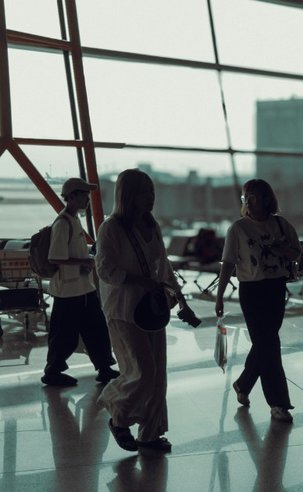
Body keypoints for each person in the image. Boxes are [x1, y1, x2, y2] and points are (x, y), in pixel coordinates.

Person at [97, 168, 195, 453]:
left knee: (157, 375)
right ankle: (117, 411)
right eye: (144, 192)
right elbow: (104, 269)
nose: (150, 197)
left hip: (152, 309)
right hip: (124, 310)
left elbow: (163, 266)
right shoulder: (111, 227)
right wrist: (139, 280)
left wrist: (182, 300)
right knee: (142, 372)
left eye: (152, 191)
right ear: (128, 196)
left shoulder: (151, 225)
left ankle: (150, 435)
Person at [215, 179, 301, 424]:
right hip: (251, 291)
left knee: (266, 343)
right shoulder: (238, 229)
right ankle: (278, 403)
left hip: (275, 288)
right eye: (245, 196)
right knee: (269, 344)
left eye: (253, 196)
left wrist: (279, 249)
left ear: (266, 198)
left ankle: (243, 383)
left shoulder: (281, 225)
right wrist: (220, 296)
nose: (248, 200)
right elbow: (228, 264)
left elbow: (296, 252)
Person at [42, 177, 118, 387]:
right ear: (72, 196)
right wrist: (84, 261)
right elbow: (54, 257)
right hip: (67, 291)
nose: (87, 198)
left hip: (83, 288)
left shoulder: (75, 220)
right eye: (84, 194)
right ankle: (52, 371)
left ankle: (104, 368)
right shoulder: (63, 223)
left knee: (96, 328)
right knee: (64, 335)